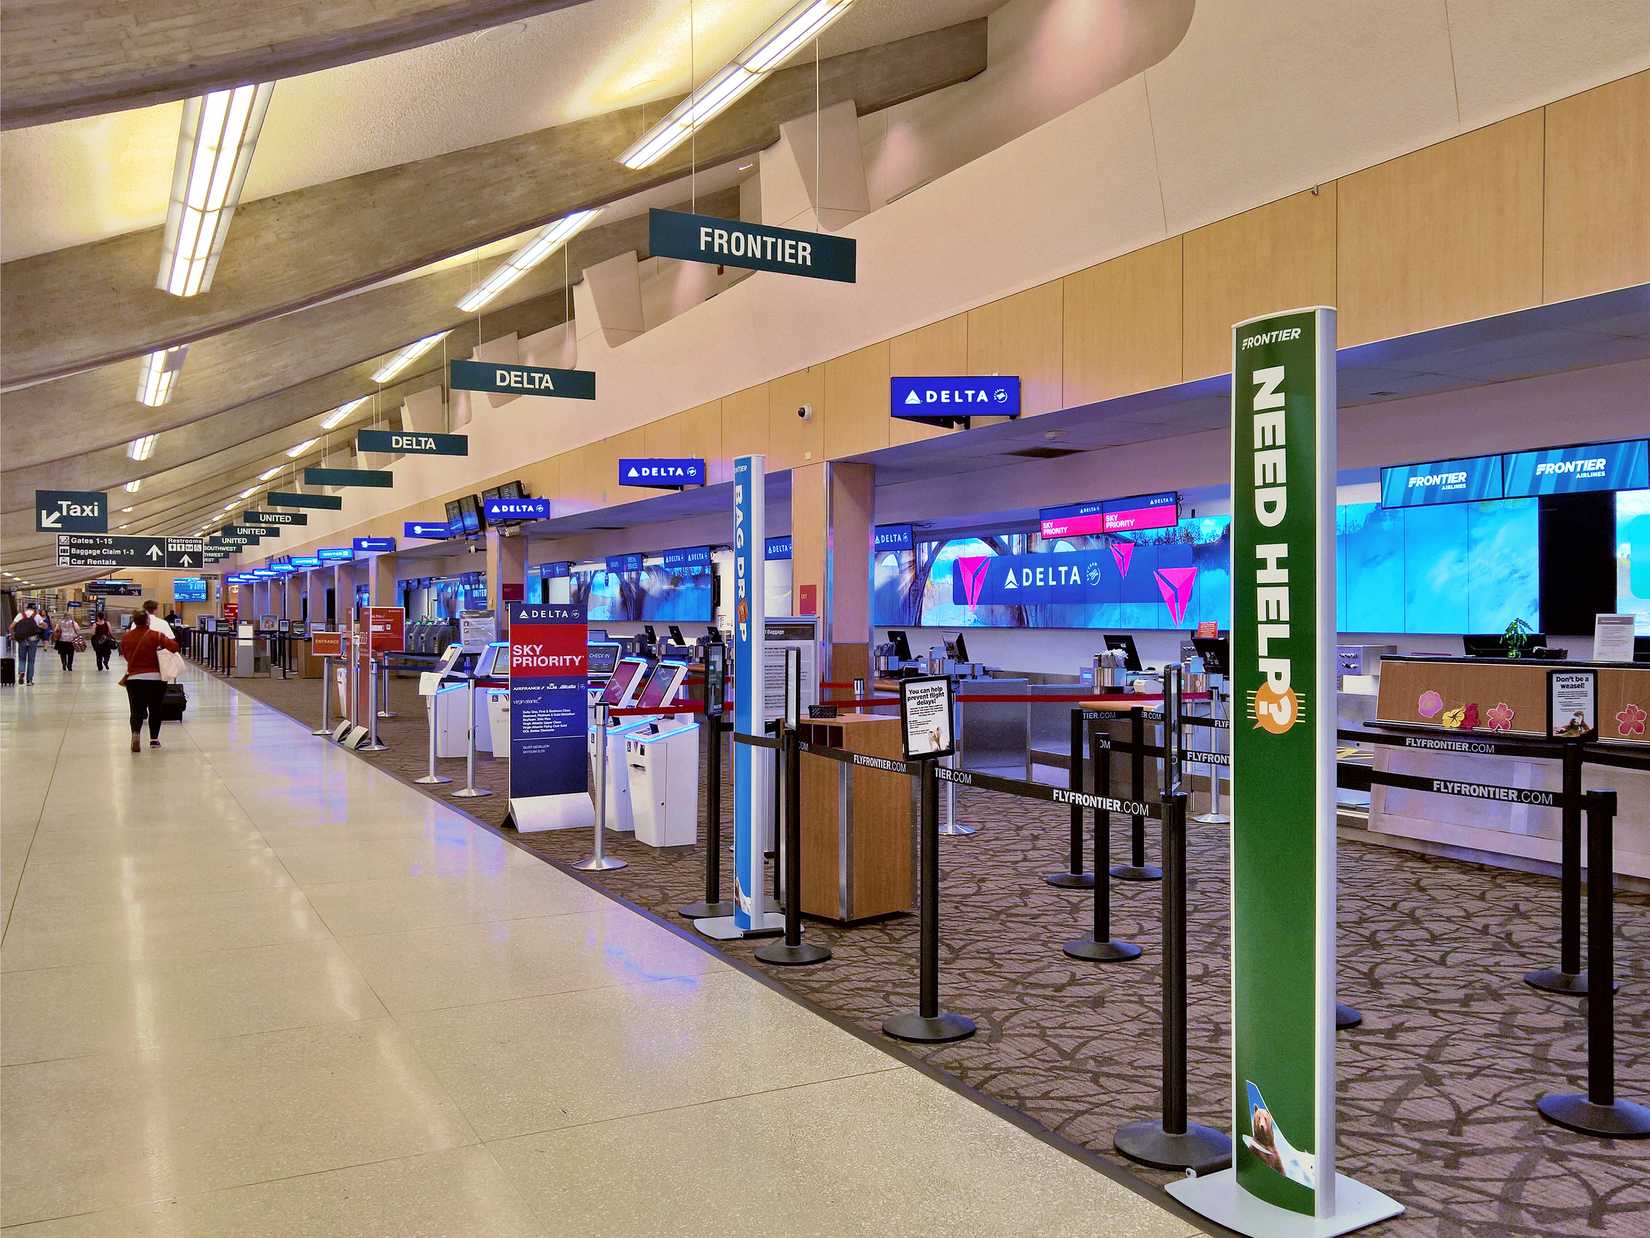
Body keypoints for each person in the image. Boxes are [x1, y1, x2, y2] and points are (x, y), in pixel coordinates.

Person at [119, 611, 179, 751]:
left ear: (134, 621)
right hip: (156, 678)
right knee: (155, 709)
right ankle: (154, 740)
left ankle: (135, 734)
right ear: (147, 621)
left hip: (134, 678)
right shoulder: (156, 635)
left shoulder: (126, 637)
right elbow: (175, 647)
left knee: (136, 710)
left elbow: (125, 654)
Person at [9, 604, 43, 685]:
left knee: (21, 658)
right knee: (31, 660)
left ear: (26, 608)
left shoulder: (20, 615)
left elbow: (11, 627)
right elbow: (44, 626)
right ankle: (29, 681)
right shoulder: (37, 616)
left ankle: (21, 671)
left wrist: (13, 636)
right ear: (34, 609)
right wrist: (37, 626)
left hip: (22, 640)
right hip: (33, 640)